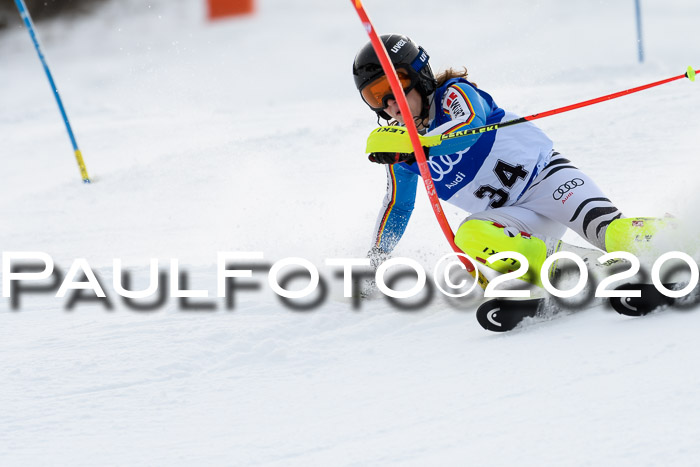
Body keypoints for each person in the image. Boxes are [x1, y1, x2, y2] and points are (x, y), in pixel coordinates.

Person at [352, 34, 678, 293]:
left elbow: (468, 127)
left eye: (392, 86)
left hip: (550, 182)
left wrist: (421, 146)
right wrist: (377, 259)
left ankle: (680, 239)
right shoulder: (400, 149)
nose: (390, 103)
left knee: (614, 234)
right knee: (470, 236)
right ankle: (573, 270)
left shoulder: (454, 94)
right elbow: (397, 205)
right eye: (375, 97)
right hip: (515, 217)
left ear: (419, 74)